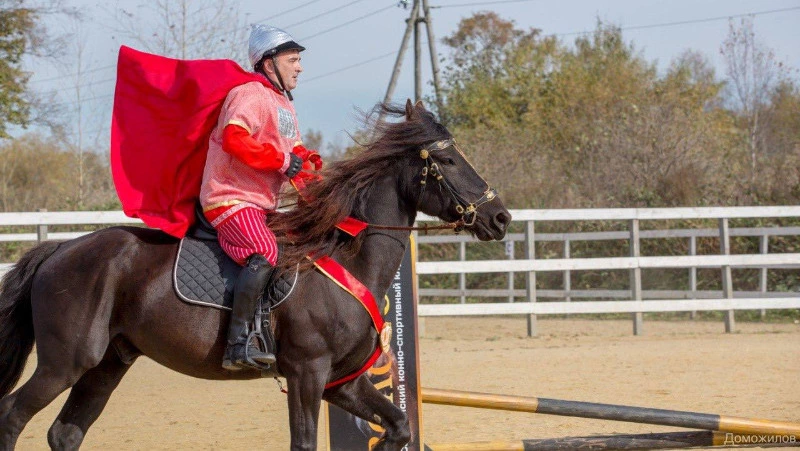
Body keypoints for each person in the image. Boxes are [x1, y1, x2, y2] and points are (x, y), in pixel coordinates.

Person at [199, 24, 322, 371]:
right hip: (230, 198)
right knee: (265, 251)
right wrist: (284, 160)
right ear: (270, 64)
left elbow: (293, 151)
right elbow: (235, 139)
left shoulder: (283, 103)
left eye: (299, 61)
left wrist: (315, 178)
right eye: (293, 60)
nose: (299, 67)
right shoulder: (250, 93)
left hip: (260, 204)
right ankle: (237, 344)